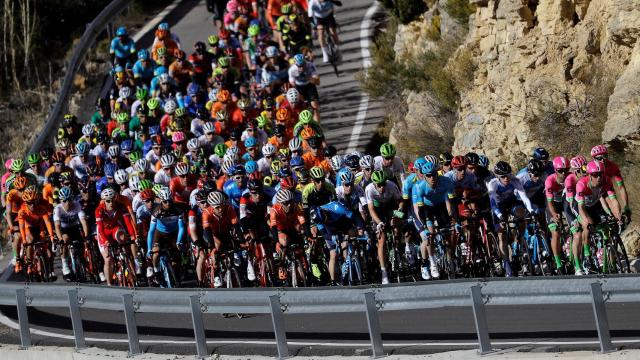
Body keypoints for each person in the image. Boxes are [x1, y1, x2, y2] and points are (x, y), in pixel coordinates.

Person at [487, 161, 535, 277]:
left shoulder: (515, 180)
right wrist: (500, 216)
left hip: (511, 203)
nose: (506, 178)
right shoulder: (492, 184)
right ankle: (506, 262)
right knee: (501, 234)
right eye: (503, 176)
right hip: (498, 208)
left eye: (508, 175)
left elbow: (524, 198)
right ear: (497, 176)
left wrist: (531, 211)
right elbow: (493, 204)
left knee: (522, 214)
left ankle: (519, 240)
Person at [412, 162, 456, 280]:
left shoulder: (446, 181)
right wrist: (425, 228)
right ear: (424, 176)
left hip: (441, 206)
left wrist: (455, 219)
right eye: (429, 175)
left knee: (448, 234)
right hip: (427, 209)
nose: (432, 178)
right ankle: (432, 263)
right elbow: (420, 211)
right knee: (430, 235)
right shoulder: (419, 187)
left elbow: (452, 202)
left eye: (434, 174)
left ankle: (451, 259)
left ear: (438, 173)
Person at [365, 170, 402, 284]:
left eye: (383, 184)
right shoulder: (369, 189)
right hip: (378, 210)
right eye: (379, 185)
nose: (382, 187)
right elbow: (371, 210)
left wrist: (398, 212)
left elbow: (400, 201)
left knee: (397, 224)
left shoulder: (391, 185)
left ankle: (398, 248)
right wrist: (379, 222)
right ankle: (384, 272)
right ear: (374, 184)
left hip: (390, 207)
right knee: (381, 239)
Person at [96, 187, 137, 286]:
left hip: (115, 228)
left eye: (112, 200)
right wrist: (106, 242)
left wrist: (133, 236)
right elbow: (100, 229)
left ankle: (131, 270)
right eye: (108, 201)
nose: (111, 203)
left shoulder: (121, 206)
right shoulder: (99, 210)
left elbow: (128, 223)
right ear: (104, 201)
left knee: (124, 240)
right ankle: (109, 284)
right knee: (108, 259)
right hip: (104, 232)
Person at [53, 187, 90, 281]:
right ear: (61, 201)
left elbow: (83, 222)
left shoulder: (77, 205)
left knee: (81, 245)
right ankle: (65, 265)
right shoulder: (57, 209)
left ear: (72, 199)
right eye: (64, 201)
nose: (67, 203)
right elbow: (57, 226)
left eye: (69, 200)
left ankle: (82, 263)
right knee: (65, 240)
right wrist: (60, 239)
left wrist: (86, 236)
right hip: (64, 229)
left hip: (75, 227)